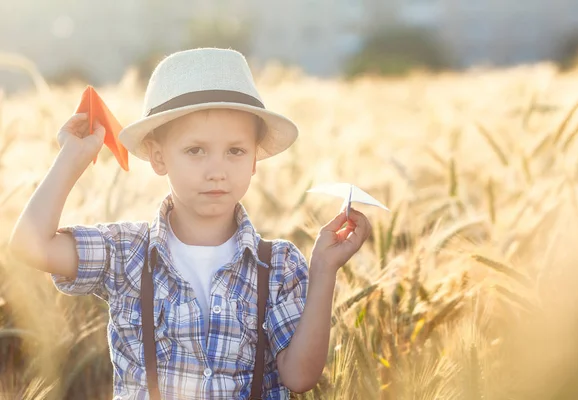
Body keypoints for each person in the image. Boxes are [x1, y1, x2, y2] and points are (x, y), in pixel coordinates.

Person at [8, 48, 372, 399]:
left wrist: (323, 269)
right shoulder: (126, 252)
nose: (217, 171)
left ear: (255, 160)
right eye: (195, 150)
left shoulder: (279, 265)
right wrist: (72, 158)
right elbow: (29, 245)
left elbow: (300, 377)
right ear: (158, 156)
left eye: (236, 151)